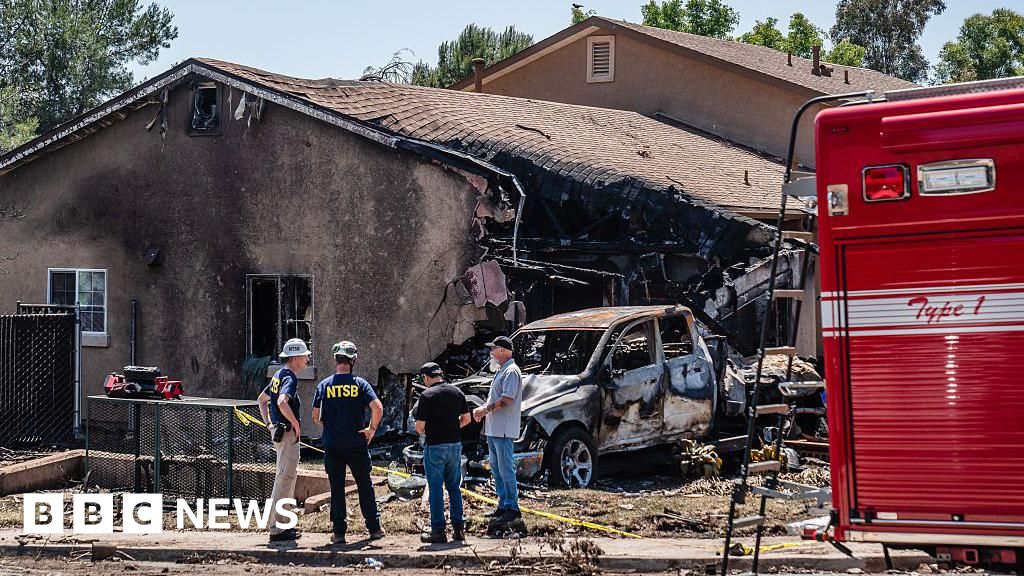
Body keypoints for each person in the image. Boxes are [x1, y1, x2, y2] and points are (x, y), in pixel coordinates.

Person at [312, 341, 386, 545]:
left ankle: (339, 533)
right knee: (364, 484)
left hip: (333, 445)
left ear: (335, 360)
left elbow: (316, 416)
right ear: (353, 360)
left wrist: (330, 426)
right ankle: (374, 528)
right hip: (356, 443)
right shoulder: (360, 384)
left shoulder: (324, 385)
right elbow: (378, 408)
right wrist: (371, 429)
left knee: (336, 487)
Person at [258, 337, 309, 543]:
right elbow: (281, 401)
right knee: (284, 479)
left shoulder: (278, 375)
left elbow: (262, 400)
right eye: (304, 356)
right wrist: (295, 423)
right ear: (295, 358)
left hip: (279, 433)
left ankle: (284, 525)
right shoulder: (289, 377)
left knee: (287, 478)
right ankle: (277, 527)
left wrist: (269, 424)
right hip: (287, 434)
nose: (307, 360)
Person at [413, 362, 471, 543]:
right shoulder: (457, 392)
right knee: (454, 487)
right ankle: (458, 529)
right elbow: (466, 419)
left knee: (436, 488)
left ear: (425, 377)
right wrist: (452, 428)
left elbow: (419, 427)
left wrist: (430, 431)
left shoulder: (427, 395)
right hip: (455, 446)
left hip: (435, 446)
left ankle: (438, 530)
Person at [472, 336, 523, 523]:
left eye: (493, 349)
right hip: (494, 429)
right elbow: (496, 398)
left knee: (505, 468)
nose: (491, 353)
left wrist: (485, 410)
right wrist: (483, 410)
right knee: (496, 468)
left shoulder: (511, 371)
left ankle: (512, 507)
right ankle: (503, 505)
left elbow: (507, 399)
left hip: (503, 429)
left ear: (502, 350)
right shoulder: (502, 370)